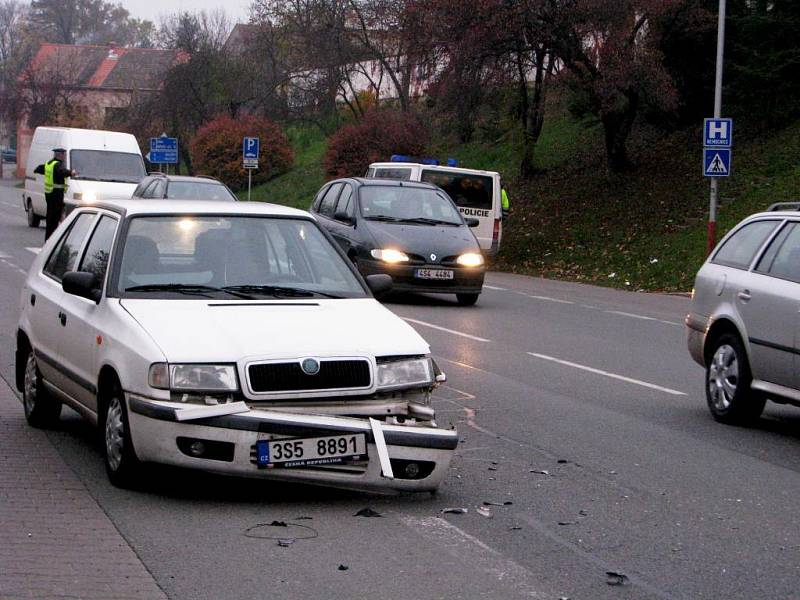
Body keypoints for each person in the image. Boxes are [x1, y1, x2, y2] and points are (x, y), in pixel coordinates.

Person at [34, 148, 76, 240]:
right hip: (56, 195)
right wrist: (71, 173)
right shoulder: (58, 165)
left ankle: (48, 239)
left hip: (49, 194)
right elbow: (62, 172)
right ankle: (52, 240)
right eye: (64, 154)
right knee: (55, 219)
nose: (65, 157)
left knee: (50, 218)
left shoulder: (49, 164)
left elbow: (38, 169)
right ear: (60, 155)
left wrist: (37, 170)